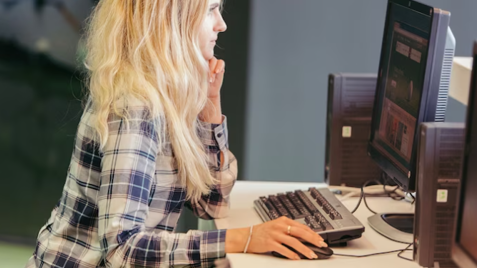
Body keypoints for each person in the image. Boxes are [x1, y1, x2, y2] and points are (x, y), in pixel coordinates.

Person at [26, 0, 326, 267]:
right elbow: (123, 249)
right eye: (210, 10)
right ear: (172, 19)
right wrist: (244, 239)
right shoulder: (135, 108)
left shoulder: (169, 95)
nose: (221, 24)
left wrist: (210, 108)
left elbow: (211, 204)